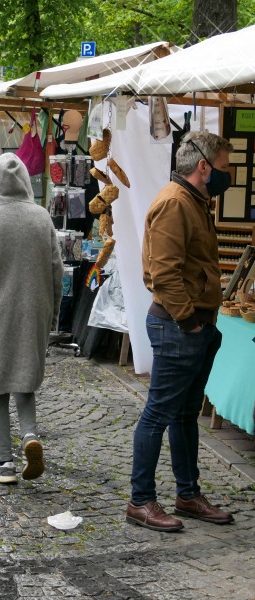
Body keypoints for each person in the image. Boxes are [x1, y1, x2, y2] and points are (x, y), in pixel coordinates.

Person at [126, 131, 234, 532]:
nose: (229, 174)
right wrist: (189, 322)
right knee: (158, 414)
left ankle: (188, 494)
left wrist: (201, 323)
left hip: (193, 325)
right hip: (178, 325)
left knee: (185, 414)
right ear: (203, 167)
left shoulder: (194, 201)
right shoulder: (175, 202)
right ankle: (140, 501)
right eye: (224, 167)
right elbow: (163, 274)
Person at [0, 153, 62, 485]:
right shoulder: (41, 218)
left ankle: (5, 463)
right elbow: (56, 271)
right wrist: (53, 314)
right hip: (33, 311)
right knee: (24, 376)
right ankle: (30, 434)